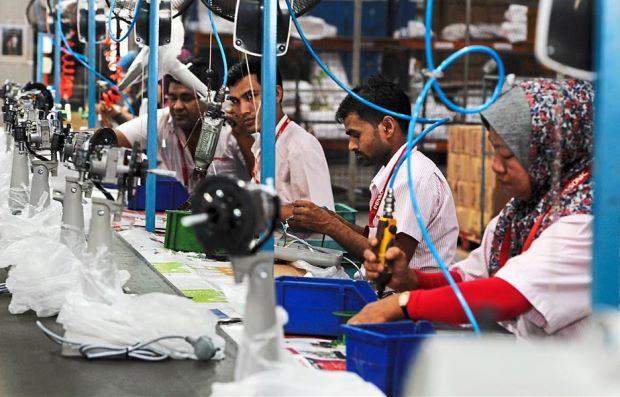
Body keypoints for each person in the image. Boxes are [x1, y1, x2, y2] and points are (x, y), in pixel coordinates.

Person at [349, 79, 594, 339]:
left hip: (575, 363)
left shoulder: (585, 221)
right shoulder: (521, 212)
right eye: (494, 153)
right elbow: (471, 278)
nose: (496, 167)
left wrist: (402, 304)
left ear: (551, 152)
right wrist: (412, 280)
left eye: (507, 156)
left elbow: (508, 294)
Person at [289, 75, 458, 270]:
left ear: (387, 127)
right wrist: (333, 219)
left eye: (356, 135)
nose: (351, 146)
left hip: (407, 289)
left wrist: (329, 224)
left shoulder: (413, 178)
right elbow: (375, 239)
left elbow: (390, 260)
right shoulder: (396, 171)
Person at [114, 57, 251, 191]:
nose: (177, 106)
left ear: (211, 100)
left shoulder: (233, 130)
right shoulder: (161, 121)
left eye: (187, 98)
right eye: (172, 98)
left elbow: (259, 176)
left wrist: (242, 135)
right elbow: (112, 138)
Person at [226, 59, 334, 218]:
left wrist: (257, 209)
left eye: (251, 96)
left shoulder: (301, 147)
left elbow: (319, 216)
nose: (243, 110)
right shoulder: (265, 143)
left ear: (276, 94)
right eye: (236, 101)